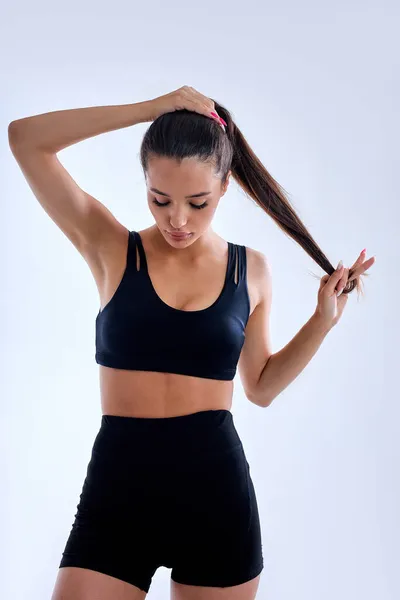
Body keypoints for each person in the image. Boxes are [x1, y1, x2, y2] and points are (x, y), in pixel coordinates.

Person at [8, 86, 375, 600]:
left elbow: (261, 388)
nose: (177, 219)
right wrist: (147, 110)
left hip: (215, 497)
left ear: (224, 187)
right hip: (117, 493)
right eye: (160, 199)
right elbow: (25, 139)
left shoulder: (252, 271)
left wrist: (322, 321)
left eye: (197, 202)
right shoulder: (112, 248)